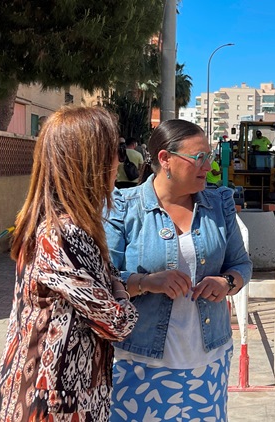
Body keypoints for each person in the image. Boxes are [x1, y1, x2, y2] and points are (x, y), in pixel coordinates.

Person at [0, 106, 138, 421]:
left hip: (51, 392)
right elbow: (117, 322)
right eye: (116, 150)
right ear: (91, 160)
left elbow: (102, 288)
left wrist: (115, 286)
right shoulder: (64, 233)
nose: (119, 161)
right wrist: (122, 293)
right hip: (52, 400)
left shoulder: (56, 223)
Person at [104, 119, 252, 421]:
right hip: (138, 361)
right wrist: (145, 282)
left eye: (209, 157)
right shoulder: (124, 207)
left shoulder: (219, 203)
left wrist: (226, 282)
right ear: (165, 159)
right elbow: (102, 280)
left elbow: (241, 265)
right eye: (199, 158)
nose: (208, 167)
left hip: (207, 360)